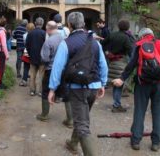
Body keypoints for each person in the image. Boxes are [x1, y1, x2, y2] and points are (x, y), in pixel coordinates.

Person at [48, 12, 108, 155]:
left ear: (69, 25)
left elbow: (57, 67)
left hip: (77, 88)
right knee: (82, 117)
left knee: (82, 124)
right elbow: (103, 64)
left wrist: (52, 89)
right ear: (83, 24)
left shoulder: (66, 43)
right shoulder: (95, 42)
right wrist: (103, 83)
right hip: (93, 86)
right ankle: (73, 143)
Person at [112, 28, 160, 152]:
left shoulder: (139, 46)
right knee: (158, 113)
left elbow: (131, 64)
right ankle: (156, 143)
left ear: (141, 36)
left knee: (139, 111)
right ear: (153, 35)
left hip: (142, 84)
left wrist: (122, 79)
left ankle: (136, 141)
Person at [102, 19, 133, 112]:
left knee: (116, 82)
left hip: (111, 61)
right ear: (127, 27)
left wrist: (107, 52)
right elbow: (130, 51)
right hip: (121, 61)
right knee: (119, 83)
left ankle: (116, 103)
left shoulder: (112, 34)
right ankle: (116, 105)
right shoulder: (126, 37)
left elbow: (102, 44)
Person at [36, 21, 63, 121]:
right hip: (62, 69)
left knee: (46, 91)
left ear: (48, 29)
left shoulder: (48, 41)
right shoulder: (63, 39)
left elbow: (45, 58)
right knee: (65, 92)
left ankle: (44, 115)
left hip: (50, 69)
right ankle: (70, 119)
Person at [26, 17, 46, 96]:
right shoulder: (44, 33)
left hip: (33, 57)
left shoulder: (30, 33)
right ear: (42, 24)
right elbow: (46, 46)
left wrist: (30, 53)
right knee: (41, 76)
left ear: (35, 23)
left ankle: (32, 90)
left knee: (32, 75)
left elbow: (27, 44)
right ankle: (40, 91)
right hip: (42, 58)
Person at [19, 22, 35, 87]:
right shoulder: (34, 35)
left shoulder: (25, 35)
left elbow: (25, 43)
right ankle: (33, 83)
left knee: (26, 67)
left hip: (27, 52)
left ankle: (24, 80)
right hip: (33, 52)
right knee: (34, 68)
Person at [0, 16, 9, 89]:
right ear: (5, 24)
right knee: (1, 68)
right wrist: (7, 55)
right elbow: (4, 44)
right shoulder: (2, 32)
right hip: (1, 52)